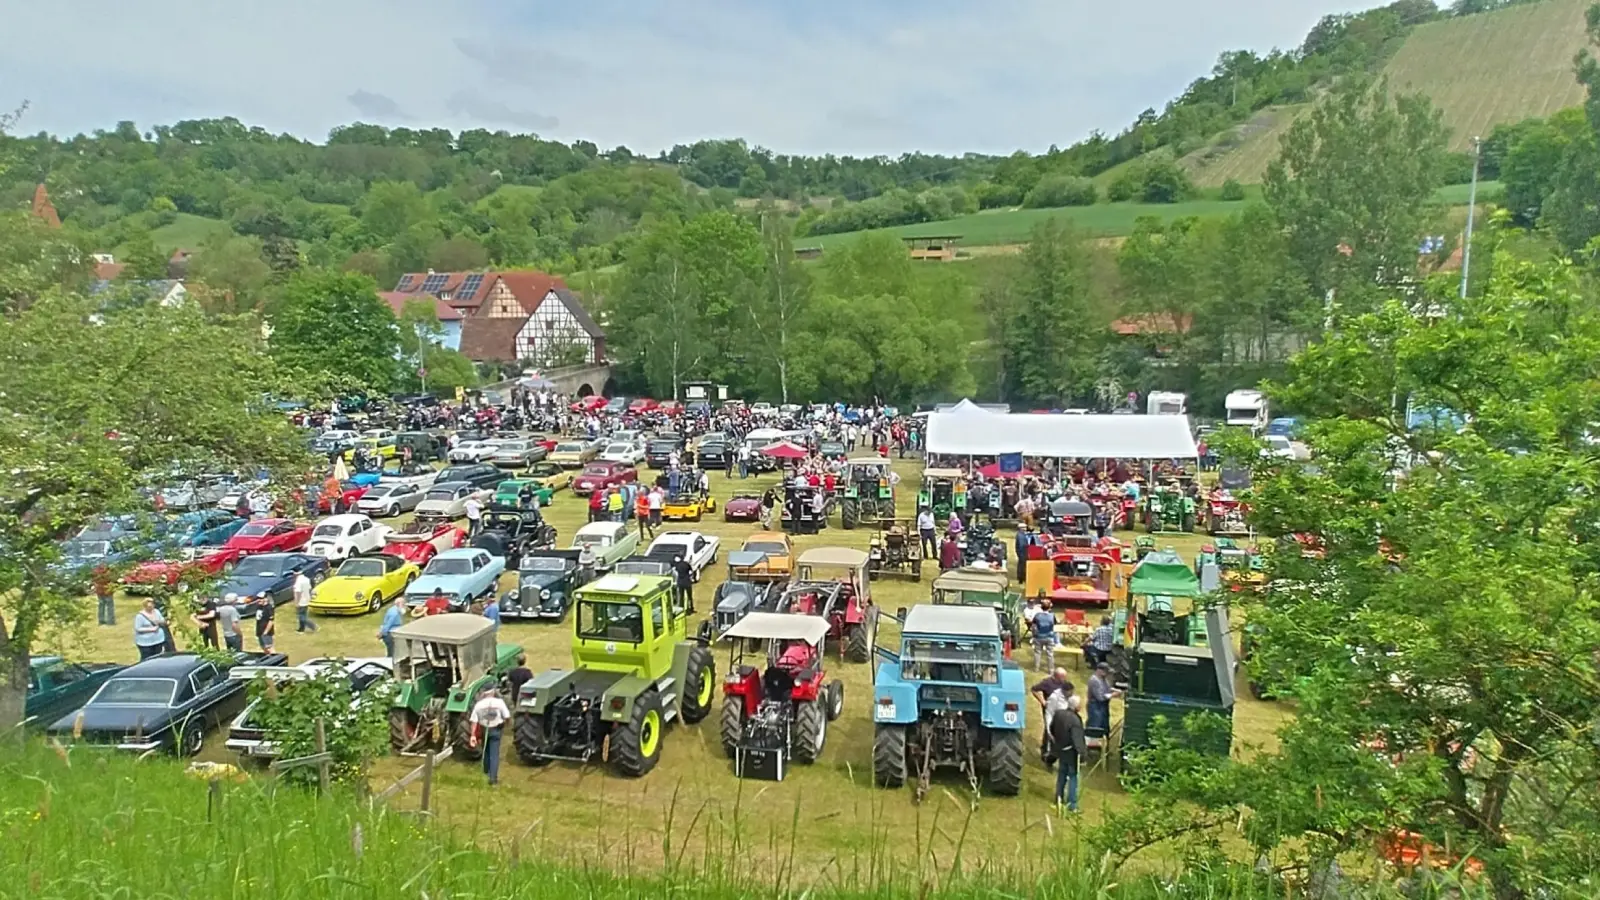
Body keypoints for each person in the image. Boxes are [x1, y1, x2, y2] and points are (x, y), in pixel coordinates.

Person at [1050, 694, 1088, 812]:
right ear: (1077, 707)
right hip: (1071, 753)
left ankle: (1059, 798)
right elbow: (1077, 739)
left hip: (1061, 750)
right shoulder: (1075, 720)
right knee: (1073, 777)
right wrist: (1082, 755)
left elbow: (1052, 728)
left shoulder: (1058, 714)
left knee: (1061, 774)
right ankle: (1072, 805)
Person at [467, 687, 511, 787]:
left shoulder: (479, 705)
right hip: (496, 729)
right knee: (494, 754)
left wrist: (473, 735)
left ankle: (486, 770)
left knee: (486, 749)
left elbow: (474, 721)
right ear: (493, 692)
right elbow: (507, 716)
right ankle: (493, 779)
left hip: (484, 729)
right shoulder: (499, 703)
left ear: (483, 694)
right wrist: (506, 723)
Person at [1031, 667, 1071, 761]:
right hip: (1049, 709)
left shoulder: (1063, 683)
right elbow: (1034, 689)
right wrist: (1043, 701)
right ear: (1057, 676)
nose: (1064, 679)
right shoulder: (1047, 682)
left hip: (1060, 710)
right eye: (1063, 677)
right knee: (1049, 728)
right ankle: (1045, 751)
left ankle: (1056, 750)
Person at [1087, 662, 1119, 733]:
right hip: (1096, 706)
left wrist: (1114, 690)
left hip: (1104, 706)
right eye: (1106, 671)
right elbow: (1100, 697)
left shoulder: (1103, 679)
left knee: (1104, 726)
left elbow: (1106, 688)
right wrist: (1113, 695)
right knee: (1096, 725)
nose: (1107, 674)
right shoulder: (1094, 680)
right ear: (1099, 670)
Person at [1030, 603, 1058, 670]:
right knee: (1050, 654)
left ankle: (1036, 668)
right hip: (1049, 636)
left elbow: (1033, 625)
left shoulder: (1037, 615)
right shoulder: (1052, 615)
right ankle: (1051, 670)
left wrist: (1034, 635)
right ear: (1049, 608)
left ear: (1041, 607)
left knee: (1037, 653)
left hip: (1039, 637)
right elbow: (1055, 623)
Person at [293, 569, 318, 633]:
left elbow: (298, 592)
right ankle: (301, 629)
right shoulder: (306, 579)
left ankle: (313, 626)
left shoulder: (298, 581)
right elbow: (309, 589)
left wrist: (297, 602)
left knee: (302, 617)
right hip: (306, 599)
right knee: (303, 615)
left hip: (301, 601)